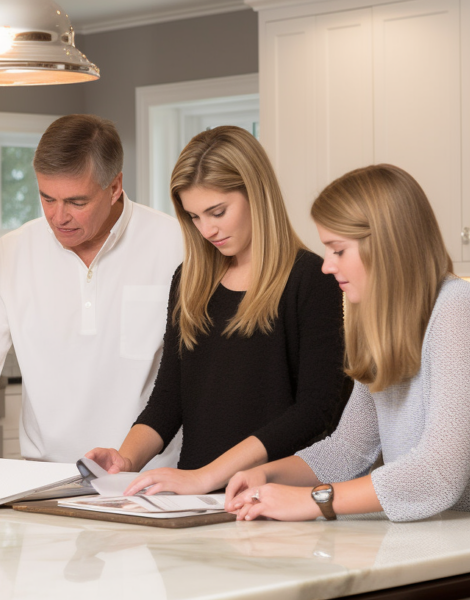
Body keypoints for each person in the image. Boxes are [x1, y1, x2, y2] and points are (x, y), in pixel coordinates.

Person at [224, 163, 470, 521]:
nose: (326, 266)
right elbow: (348, 449)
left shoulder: (459, 310)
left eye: (338, 250)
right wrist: (265, 475)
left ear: (385, 247)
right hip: (454, 547)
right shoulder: (382, 327)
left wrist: (313, 500)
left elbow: (438, 474)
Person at [0, 114, 184, 477]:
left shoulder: (177, 244)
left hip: (153, 478)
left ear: (115, 187)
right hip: (45, 481)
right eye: (47, 198)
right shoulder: (11, 253)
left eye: (76, 202)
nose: (58, 217)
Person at [84, 126, 350, 495]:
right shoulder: (190, 280)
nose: (206, 229)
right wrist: (126, 460)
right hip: (194, 499)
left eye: (217, 212)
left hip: (274, 498)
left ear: (256, 193)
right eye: (194, 216)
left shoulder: (311, 280)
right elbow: (168, 399)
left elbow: (313, 411)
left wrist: (209, 474)